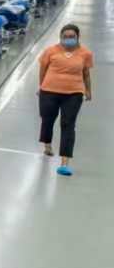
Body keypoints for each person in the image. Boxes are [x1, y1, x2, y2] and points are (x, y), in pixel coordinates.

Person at [38, 24, 93, 176]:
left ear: (77, 37)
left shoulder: (85, 53)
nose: (68, 39)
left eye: (72, 37)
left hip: (73, 94)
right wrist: (41, 86)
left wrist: (88, 90)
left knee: (68, 125)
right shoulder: (50, 51)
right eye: (65, 37)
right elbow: (42, 69)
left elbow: (86, 73)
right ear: (61, 37)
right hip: (49, 91)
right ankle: (47, 144)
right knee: (47, 120)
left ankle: (65, 163)